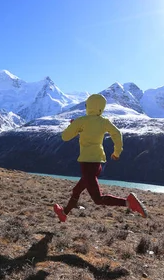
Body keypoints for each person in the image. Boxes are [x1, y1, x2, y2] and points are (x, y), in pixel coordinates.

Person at [53, 93, 147, 222]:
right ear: (101, 108)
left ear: (88, 106)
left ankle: (128, 203)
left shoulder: (81, 121)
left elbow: (65, 137)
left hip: (87, 163)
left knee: (98, 199)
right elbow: (117, 134)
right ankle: (64, 213)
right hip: (97, 163)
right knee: (76, 190)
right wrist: (116, 152)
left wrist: (74, 126)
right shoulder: (104, 122)